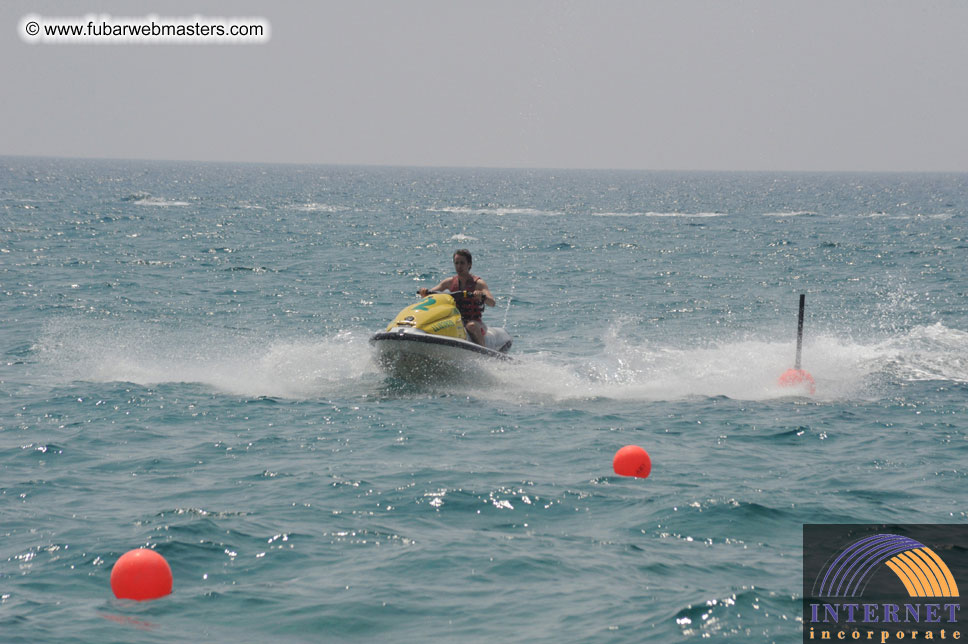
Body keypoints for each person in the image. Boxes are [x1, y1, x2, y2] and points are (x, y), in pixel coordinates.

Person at [418, 249, 495, 346]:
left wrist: (481, 296)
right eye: (456, 263)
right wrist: (425, 293)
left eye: (462, 263)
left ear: (469, 265)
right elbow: (432, 293)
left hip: (475, 322)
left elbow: (492, 303)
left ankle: (483, 354)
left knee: (471, 326)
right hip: (456, 321)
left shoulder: (478, 283)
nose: (459, 266)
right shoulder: (449, 282)